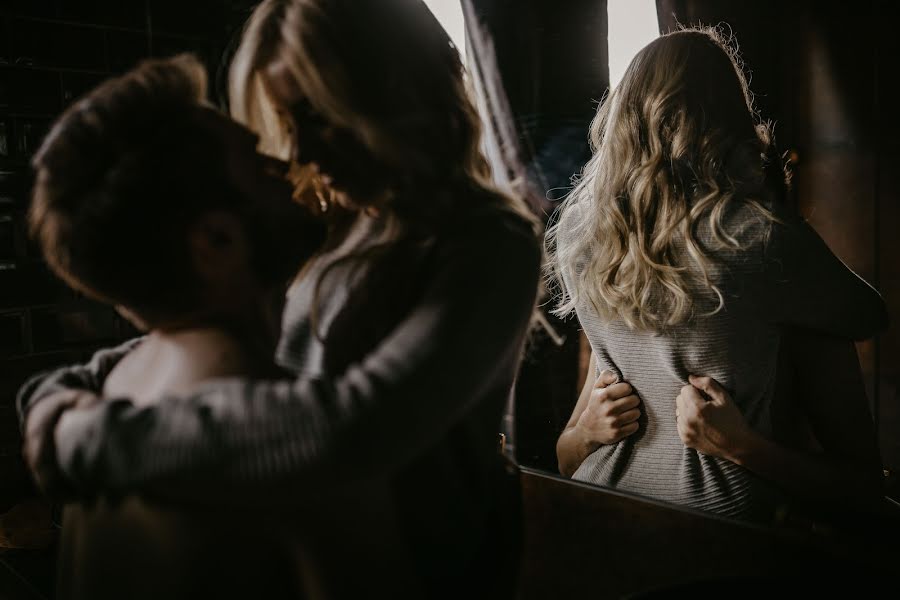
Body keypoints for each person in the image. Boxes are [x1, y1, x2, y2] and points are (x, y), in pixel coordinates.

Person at [19, 0, 542, 596]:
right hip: (296, 536)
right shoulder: (333, 218)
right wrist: (58, 393)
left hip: (421, 563)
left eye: (318, 116)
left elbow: (357, 426)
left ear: (392, 93)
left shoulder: (485, 245)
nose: (301, 153)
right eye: (288, 122)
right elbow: (199, 319)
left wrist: (98, 439)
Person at [547, 28, 887, 521]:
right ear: (730, 119)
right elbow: (869, 316)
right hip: (716, 539)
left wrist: (581, 436)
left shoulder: (587, 236)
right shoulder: (760, 237)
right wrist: (742, 446)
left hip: (596, 518)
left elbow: (565, 459)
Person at [26, 54, 324, 599]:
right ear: (217, 242)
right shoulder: (283, 437)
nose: (289, 168)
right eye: (258, 162)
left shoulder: (109, 400)